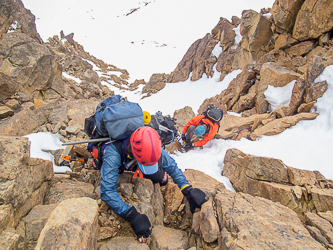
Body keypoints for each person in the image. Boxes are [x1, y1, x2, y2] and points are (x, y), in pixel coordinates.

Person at [97, 126, 207, 243]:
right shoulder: (113, 153)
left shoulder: (152, 145)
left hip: (133, 158)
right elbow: (107, 190)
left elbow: (172, 167)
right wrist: (131, 215)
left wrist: (187, 189)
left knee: (158, 178)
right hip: (119, 158)